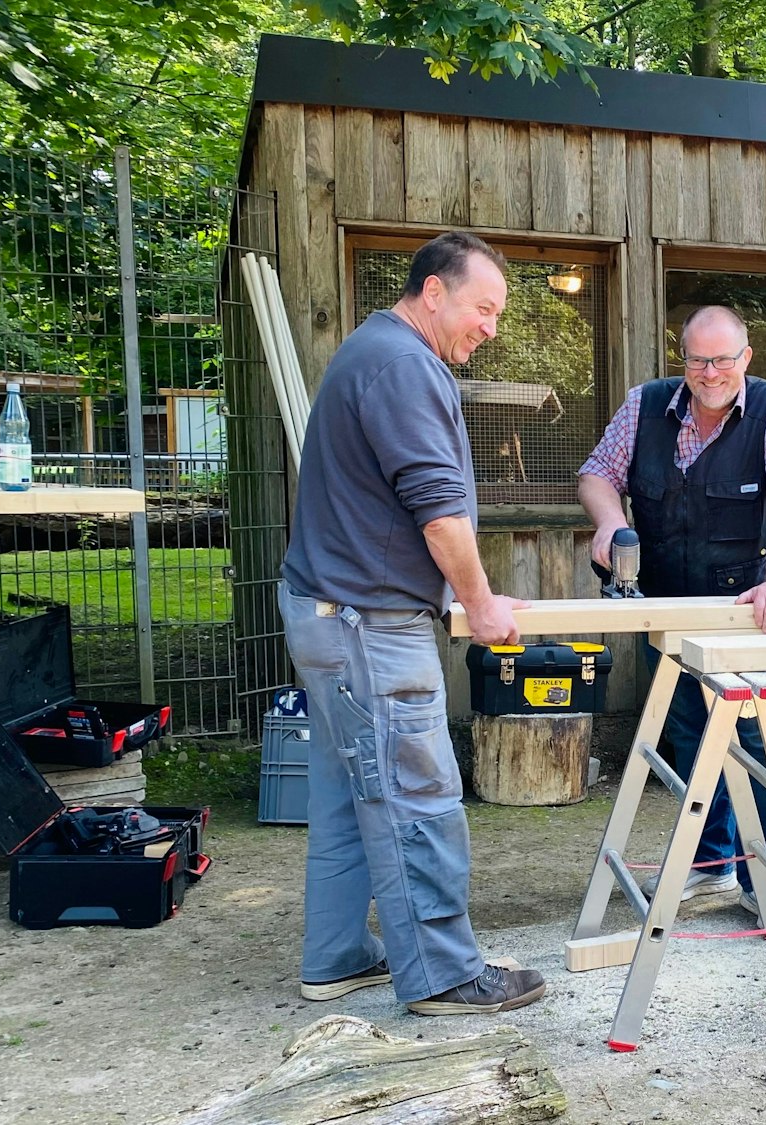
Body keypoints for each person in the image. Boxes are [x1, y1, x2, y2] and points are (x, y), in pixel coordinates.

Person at [279, 231, 546, 1015]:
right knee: (413, 792)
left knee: (347, 791)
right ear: (434, 292)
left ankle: (334, 958)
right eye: (482, 308)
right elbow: (439, 514)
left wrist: (468, 595)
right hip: (367, 625)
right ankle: (443, 975)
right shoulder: (402, 365)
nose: (489, 328)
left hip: (333, 612)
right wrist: (485, 601)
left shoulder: (377, 350)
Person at [576, 305, 766, 921]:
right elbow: (597, 475)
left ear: (746, 359)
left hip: (747, 609)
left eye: (722, 360)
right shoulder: (646, 404)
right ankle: (711, 867)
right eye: (696, 360)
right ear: (681, 357)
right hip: (665, 608)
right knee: (687, 733)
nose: (709, 373)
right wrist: (610, 520)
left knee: (758, 742)